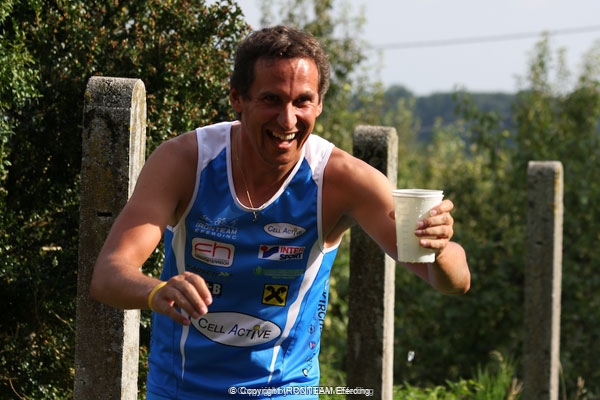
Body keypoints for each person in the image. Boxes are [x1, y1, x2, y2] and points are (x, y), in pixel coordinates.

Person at [90, 25, 470, 399]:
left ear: (319, 105)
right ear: (238, 98)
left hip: (284, 392)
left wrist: (437, 249)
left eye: (302, 101)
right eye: (271, 99)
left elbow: (454, 280)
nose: (287, 120)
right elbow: (108, 274)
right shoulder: (186, 161)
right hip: (180, 392)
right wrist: (156, 291)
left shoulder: (341, 179)